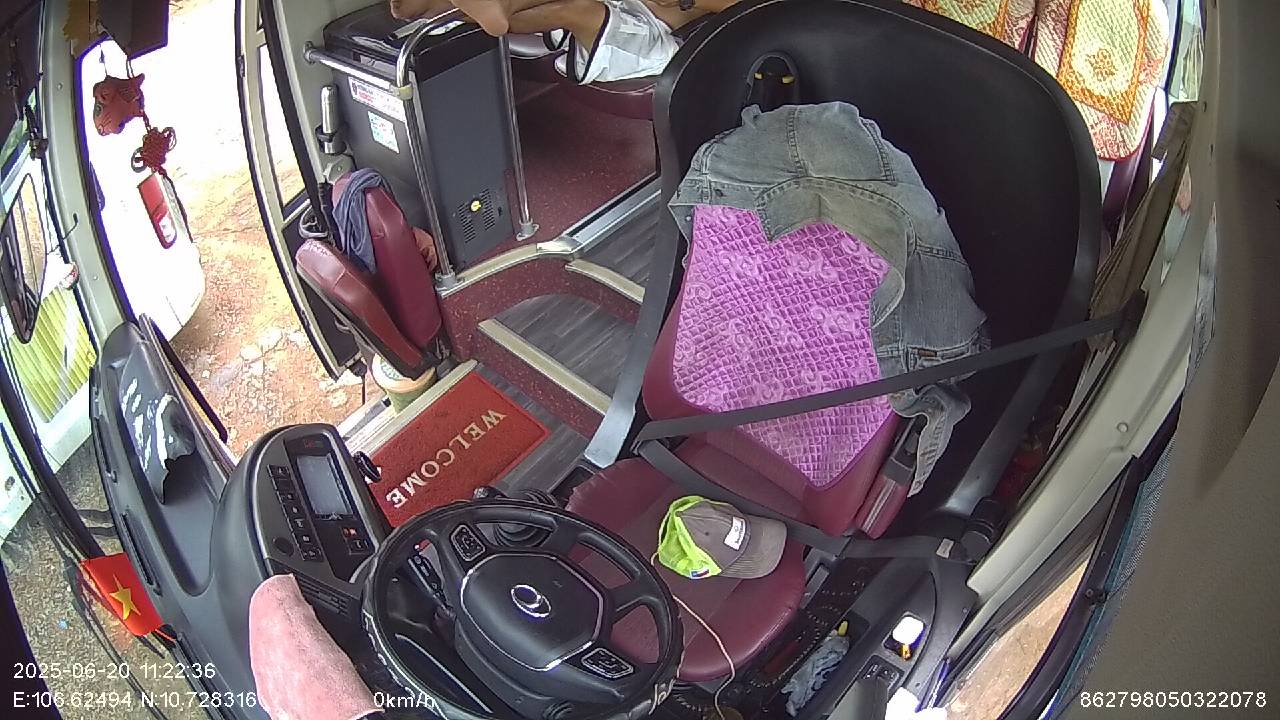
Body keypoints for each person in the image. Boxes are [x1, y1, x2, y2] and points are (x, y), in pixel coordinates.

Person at [389, 0, 737, 84]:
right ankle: (443, 7)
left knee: (577, 9)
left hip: (657, 40)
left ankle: (463, 10)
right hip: (630, 6)